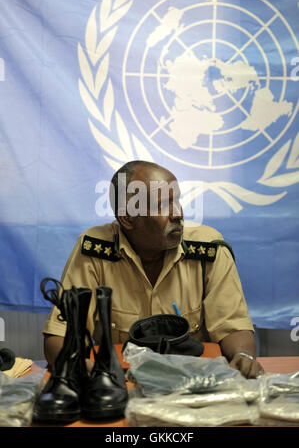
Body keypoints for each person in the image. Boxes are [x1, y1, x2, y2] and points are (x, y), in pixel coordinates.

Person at [43, 160, 264, 379]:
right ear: (127, 218)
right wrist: (84, 369)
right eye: (163, 205)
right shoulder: (94, 250)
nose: (178, 214)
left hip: (193, 381)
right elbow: (62, 336)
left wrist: (243, 355)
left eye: (177, 202)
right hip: (121, 380)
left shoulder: (208, 248)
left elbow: (233, 326)